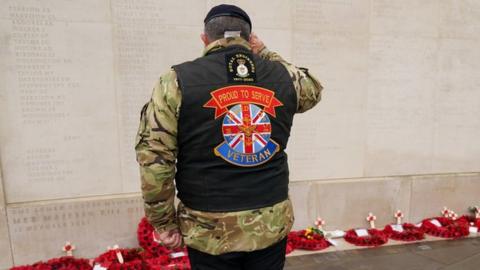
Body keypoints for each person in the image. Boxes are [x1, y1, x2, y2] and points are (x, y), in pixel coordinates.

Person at [135, 4, 323, 270]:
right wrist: (265, 52)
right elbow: (312, 90)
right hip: (269, 223)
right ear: (250, 38)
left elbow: (155, 158)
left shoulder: (175, 81)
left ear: (204, 39)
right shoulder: (283, 76)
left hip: (209, 229)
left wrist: (163, 222)